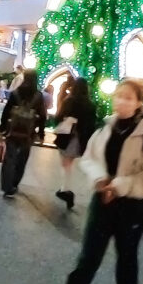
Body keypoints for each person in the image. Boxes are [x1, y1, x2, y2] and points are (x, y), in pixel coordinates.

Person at [60, 78, 143, 284]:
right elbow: (88, 158)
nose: (122, 101)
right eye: (119, 95)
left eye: (128, 97)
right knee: (88, 258)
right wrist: (100, 179)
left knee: (126, 255)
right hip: (103, 202)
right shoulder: (105, 129)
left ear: (138, 103)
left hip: (132, 206)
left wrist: (118, 185)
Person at [0, 70, 47, 198]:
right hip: (28, 133)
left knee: (9, 158)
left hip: (13, 130)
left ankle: (7, 187)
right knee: (22, 160)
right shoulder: (38, 96)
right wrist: (41, 134)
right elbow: (42, 116)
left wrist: (2, 127)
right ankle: (14, 183)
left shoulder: (16, 93)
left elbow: (6, 111)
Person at [55, 77, 97, 210]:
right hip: (81, 138)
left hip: (68, 137)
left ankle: (66, 191)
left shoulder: (70, 101)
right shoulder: (90, 104)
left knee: (66, 164)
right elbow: (92, 124)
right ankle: (65, 190)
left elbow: (59, 116)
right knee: (68, 164)